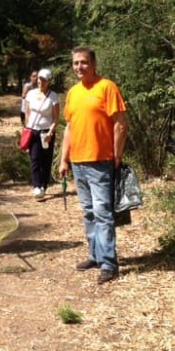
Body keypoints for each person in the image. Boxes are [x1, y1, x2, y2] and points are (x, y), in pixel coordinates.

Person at [58, 46, 128, 285]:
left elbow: (120, 123)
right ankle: (95, 255)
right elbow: (69, 127)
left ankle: (109, 263)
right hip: (78, 161)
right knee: (88, 211)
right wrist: (63, 158)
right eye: (76, 63)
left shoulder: (107, 87)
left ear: (94, 64)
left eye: (84, 62)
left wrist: (116, 155)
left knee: (102, 212)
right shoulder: (73, 93)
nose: (80, 67)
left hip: (100, 161)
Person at [24, 68, 60, 198]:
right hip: (33, 130)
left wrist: (51, 131)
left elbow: (56, 117)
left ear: (49, 81)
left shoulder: (53, 96)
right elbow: (27, 113)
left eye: (44, 80)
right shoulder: (31, 94)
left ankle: (43, 185)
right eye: (40, 79)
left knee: (46, 160)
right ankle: (36, 186)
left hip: (46, 132)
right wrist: (27, 128)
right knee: (34, 159)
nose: (41, 82)